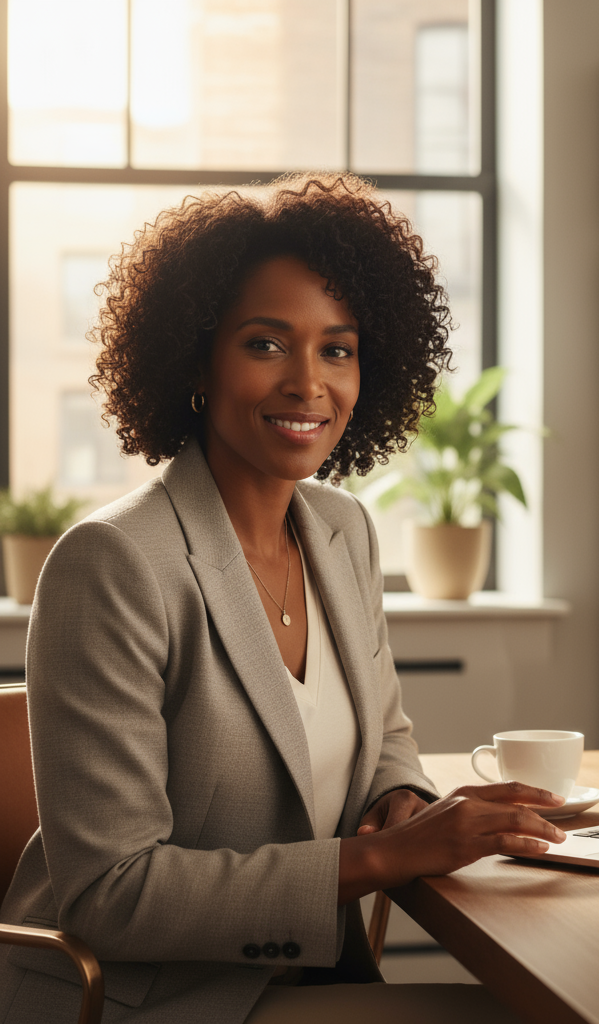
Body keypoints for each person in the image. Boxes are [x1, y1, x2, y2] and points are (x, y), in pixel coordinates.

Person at [0, 173, 565, 1024]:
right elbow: (111, 894)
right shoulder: (113, 563)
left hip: (306, 980)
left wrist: (401, 799)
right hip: (153, 1001)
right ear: (197, 358)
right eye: (265, 344)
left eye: (338, 349)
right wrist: (384, 858)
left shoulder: (342, 530)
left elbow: (385, 736)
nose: (309, 383)